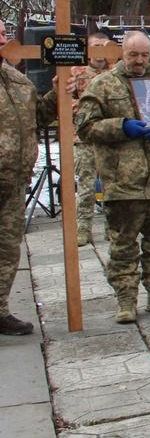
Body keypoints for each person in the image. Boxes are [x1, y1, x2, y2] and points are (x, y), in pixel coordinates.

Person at [77, 31, 150, 323]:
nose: (139, 61)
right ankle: (126, 300)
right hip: (122, 182)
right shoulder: (102, 85)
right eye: (133, 55)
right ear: (122, 54)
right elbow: (86, 127)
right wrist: (121, 126)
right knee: (123, 245)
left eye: (144, 55)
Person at [0, 20, 56, 334]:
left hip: (13, 181)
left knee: (8, 248)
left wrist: (58, 93)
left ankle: (0, 309)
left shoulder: (18, 81)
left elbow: (37, 118)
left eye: (4, 34)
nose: (3, 39)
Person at [68, 32, 114, 245]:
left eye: (103, 47)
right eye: (95, 47)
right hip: (85, 139)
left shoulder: (115, 73)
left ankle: (112, 228)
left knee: (111, 186)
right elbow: (66, 102)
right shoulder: (76, 73)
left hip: (110, 138)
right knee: (86, 186)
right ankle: (83, 228)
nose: (99, 52)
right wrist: (88, 107)